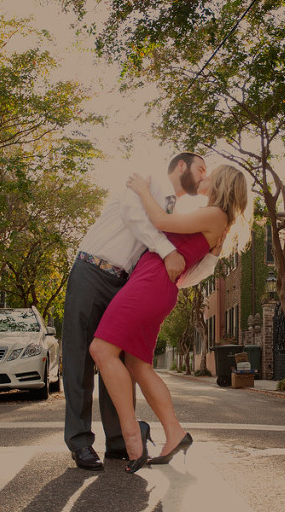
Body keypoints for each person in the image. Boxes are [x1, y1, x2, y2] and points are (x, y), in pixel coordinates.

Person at [62, 153, 219, 471]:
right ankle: (80, 442)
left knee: (116, 361)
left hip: (124, 283)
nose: (204, 176)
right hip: (93, 269)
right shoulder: (147, 179)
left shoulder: (173, 212)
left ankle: (119, 441)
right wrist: (167, 250)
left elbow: (179, 260)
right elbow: (133, 215)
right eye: (201, 168)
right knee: (80, 359)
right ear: (181, 165)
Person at [89, 165, 249, 473]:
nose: (205, 177)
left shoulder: (215, 215)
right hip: (157, 285)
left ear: (222, 183)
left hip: (150, 283)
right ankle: (174, 433)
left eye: (210, 174)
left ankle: (132, 436)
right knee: (138, 365)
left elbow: (161, 221)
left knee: (101, 349)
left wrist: (141, 190)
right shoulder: (215, 219)